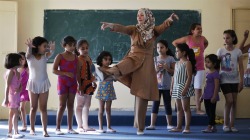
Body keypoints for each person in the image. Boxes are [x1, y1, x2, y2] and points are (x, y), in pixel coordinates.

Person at [99, 8, 179, 135]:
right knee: (122, 65)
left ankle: (140, 127)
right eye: (138, 15)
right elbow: (123, 28)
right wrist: (111, 25)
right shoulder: (134, 29)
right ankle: (106, 72)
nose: (139, 17)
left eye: (142, 15)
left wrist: (170, 19)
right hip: (133, 57)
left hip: (146, 65)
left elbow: (163, 26)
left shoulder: (153, 31)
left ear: (148, 17)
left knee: (142, 95)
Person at [172, 23, 208, 115]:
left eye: (201, 28)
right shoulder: (188, 38)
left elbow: (206, 43)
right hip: (188, 66)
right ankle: (179, 107)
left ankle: (198, 108)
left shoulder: (203, 38)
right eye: (198, 29)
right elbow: (174, 42)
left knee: (198, 88)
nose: (200, 30)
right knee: (184, 85)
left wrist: (203, 49)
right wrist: (182, 52)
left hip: (199, 66)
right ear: (192, 30)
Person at [25, 36, 55, 137]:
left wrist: (52, 49)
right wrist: (29, 47)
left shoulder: (45, 56)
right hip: (33, 83)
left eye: (46, 46)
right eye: (44, 46)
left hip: (43, 83)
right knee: (33, 107)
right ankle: (32, 129)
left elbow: (51, 54)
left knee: (43, 108)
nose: (46, 48)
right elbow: (27, 54)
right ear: (37, 46)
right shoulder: (30, 57)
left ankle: (44, 130)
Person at [217, 30, 244, 132]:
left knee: (234, 102)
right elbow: (217, 66)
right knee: (229, 101)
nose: (225, 40)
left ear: (233, 38)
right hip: (224, 79)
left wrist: (241, 81)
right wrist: (216, 80)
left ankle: (232, 125)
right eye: (224, 38)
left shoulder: (238, 52)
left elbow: (241, 67)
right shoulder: (220, 51)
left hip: (235, 80)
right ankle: (225, 124)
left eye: (227, 38)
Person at [146, 40, 175, 130]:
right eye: (158, 47)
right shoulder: (154, 58)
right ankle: (152, 124)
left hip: (167, 86)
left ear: (166, 48)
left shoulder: (170, 58)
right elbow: (151, 73)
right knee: (155, 104)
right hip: (157, 86)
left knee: (167, 104)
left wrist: (167, 68)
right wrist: (157, 70)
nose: (159, 49)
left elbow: (174, 72)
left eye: (162, 47)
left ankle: (169, 124)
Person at [52, 36, 79, 135]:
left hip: (73, 83)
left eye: (74, 45)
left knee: (71, 105)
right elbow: (54, 70)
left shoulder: (76, 57)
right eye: (70, 45)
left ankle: (70, 128)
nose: (72, 47)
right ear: (64, 45)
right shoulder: (60, 56)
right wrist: (65, 73)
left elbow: (78, 72)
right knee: (62, 105)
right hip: (62, 83)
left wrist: (79, 84)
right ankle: (57, 128)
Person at [169, 43, 196, 134]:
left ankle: (187, 127)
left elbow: (189, 77)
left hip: (184, 87)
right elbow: (174, 76)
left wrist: (185, 88)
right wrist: (171, 87)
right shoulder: (176, 64)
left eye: (177, 51)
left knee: (186, 108)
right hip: (176, 87)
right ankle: (179, 127)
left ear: (184, 52)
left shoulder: (187, 63)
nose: (176, 53)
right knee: (179, 108)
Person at [75, 39, 97, 133]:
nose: (85, 50)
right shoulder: (78, 59)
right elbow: (77, 74)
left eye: (87, 48)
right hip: (81, 84)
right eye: (82, 48)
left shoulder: (89, 58)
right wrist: (79, 85)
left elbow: (91, 71)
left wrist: (93, 80)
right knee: (80, 105)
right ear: (78, 49)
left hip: (88, 83)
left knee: (87, 105)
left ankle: (86, 125)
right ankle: (79, 126)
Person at [2, 53, 25, 139]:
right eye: (20, 60)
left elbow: (19, 83)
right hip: (11, 96)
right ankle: (16, 132)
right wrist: (6, 98)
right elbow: (7, 85)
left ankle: (9, 132)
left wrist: (20, 88)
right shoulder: (11, 71)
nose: (22, 61)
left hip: (17, 95)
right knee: (16, 113)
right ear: (15, 61)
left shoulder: (17, 72)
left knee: (11, 114)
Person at [95, 51, 117, 133]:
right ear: (101, 60)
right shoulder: (98, 69)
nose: (108, 61)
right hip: (101, 91)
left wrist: (114, 74)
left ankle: (109, 127)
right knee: (101, 109)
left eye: (109, 59)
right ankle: (100, 127)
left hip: (110, 90)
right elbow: (98, 78)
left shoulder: (112, 69)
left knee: (108, 109)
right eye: (105, 59)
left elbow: (115, 79)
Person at [200, 54, 220, 133]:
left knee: (211, 112)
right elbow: (205, 85)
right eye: (206, 62)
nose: (206, 63)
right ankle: (213, 126)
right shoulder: (207, 73)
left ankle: (209, 126)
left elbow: (216, 86)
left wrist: (214, 96)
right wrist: (202, 96)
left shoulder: (215, 74)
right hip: (206, 96)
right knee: (208, 112)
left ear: (214, 64)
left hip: (212, 96)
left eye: (208, 62)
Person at [18, 52, 30, 132]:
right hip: (17, 91)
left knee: (22, 107)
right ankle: (22, 121)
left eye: (23, 58)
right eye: (20, 58)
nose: (22, 60)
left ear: (26, 59)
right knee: (17, 108)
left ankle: (24, 125)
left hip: (25, 90)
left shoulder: (27, 69)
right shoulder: (15, 69)